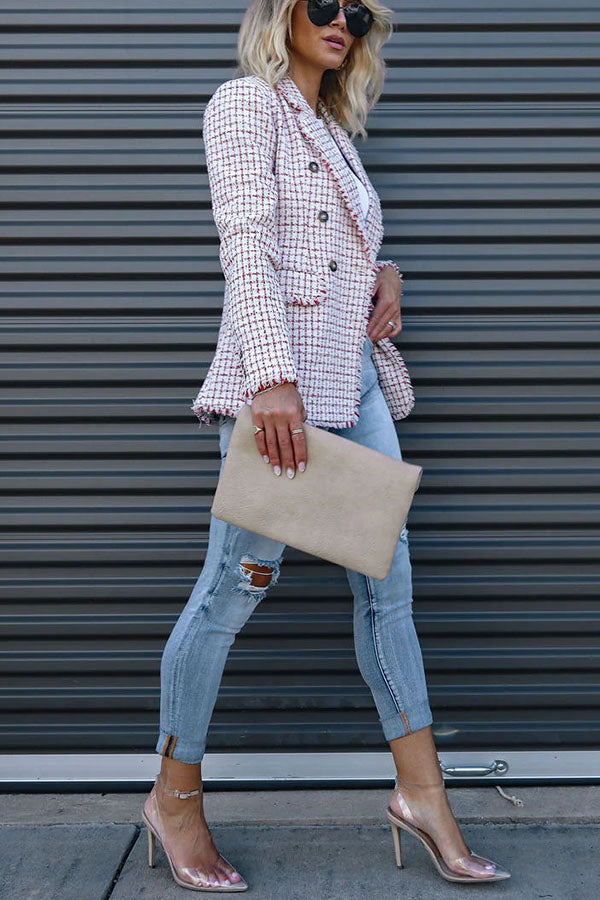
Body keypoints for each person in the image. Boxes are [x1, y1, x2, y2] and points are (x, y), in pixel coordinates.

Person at [142, 0, 511, 890]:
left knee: (390, 592)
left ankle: (423, 796)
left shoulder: (335, 129)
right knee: (233, 589)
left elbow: (331, 244)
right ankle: (174, 797)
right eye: (323, 4)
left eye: (357, 12)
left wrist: (385, 274)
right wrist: (271, 376)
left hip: (359, 380)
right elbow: (248, 242)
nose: (341, 21)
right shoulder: (244, 102)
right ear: (281, 12)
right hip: (286, 388)